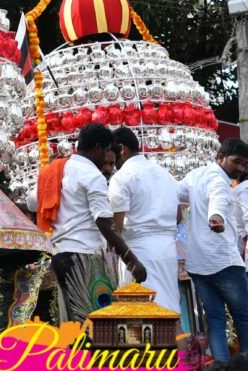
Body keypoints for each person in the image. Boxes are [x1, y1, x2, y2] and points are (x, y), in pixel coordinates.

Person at [27, 123, 147, 324]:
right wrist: (131, 260)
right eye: (108, 150)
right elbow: (104, 222)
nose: (109, 158)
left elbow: (32, 202)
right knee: (98, 326)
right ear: (97, 148)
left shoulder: (55, 171)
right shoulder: (91, 175)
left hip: (61, 257)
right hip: (84, 258)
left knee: (76, 325)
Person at [179, 138, 248, 362]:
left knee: (216, 321)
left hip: (198, 265)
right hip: (223, 262)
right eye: (236, 162)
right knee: (244, 318)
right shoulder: (219, 181)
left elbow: (174, 194)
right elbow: (217, 201)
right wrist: (215, 218)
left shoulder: (194, 176)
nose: (240, 168)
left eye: (244, 165)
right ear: (220, 157)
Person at [108, 126, 181, 312]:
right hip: (168, 250)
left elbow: (115, 228)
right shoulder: (166, 175)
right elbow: (178, 216)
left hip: (138, 253)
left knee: (141, 317)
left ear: (122, 149)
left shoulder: (122, 177)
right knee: (170, 310)